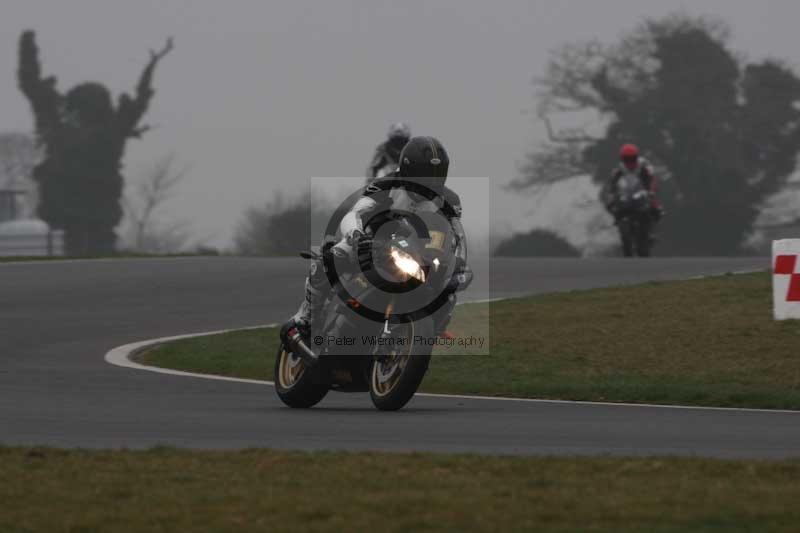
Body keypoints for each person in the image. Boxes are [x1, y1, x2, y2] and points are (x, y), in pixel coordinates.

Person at [282, 136, 472, 343]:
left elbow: (455, 235)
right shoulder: (386, 185)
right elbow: (356, 213)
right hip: (373, 242)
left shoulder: (450, 201)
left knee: (451, 284)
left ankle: (433, 329)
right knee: (330, 259)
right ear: (409, 169)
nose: (431, 180)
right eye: (425, 174)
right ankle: (307, 316)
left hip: (417, 254)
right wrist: (356, 235)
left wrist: (458, 260)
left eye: (437, 174)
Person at [603, 143, 664, 222]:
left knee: (654, 205)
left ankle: (656, 210)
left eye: (632, 159)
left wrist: (651, 190)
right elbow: (613, 182)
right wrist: (611, 195)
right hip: (628, 191)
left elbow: (651, 178)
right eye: (626, 159)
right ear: (622, 159)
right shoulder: (620, 168)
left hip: (642, 188)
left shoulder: (643, 165)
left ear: (636, 157)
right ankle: (618, 221)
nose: (629, 162)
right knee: (611, 205)